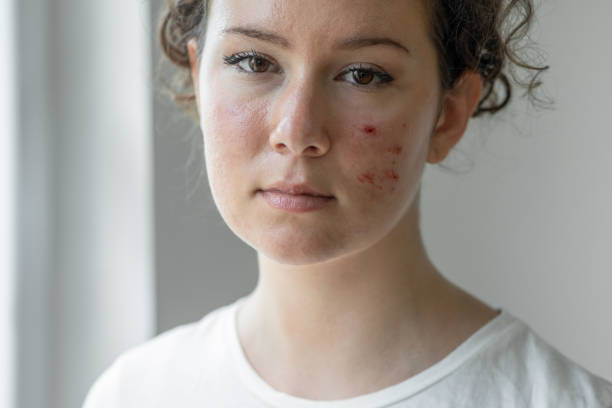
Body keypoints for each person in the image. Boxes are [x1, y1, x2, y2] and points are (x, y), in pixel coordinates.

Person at [83, 0, 612, 406]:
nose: (297, 131)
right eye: (253, 61)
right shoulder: (136, 394)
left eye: (363, 74)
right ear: (199, 80)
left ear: (448, 115)